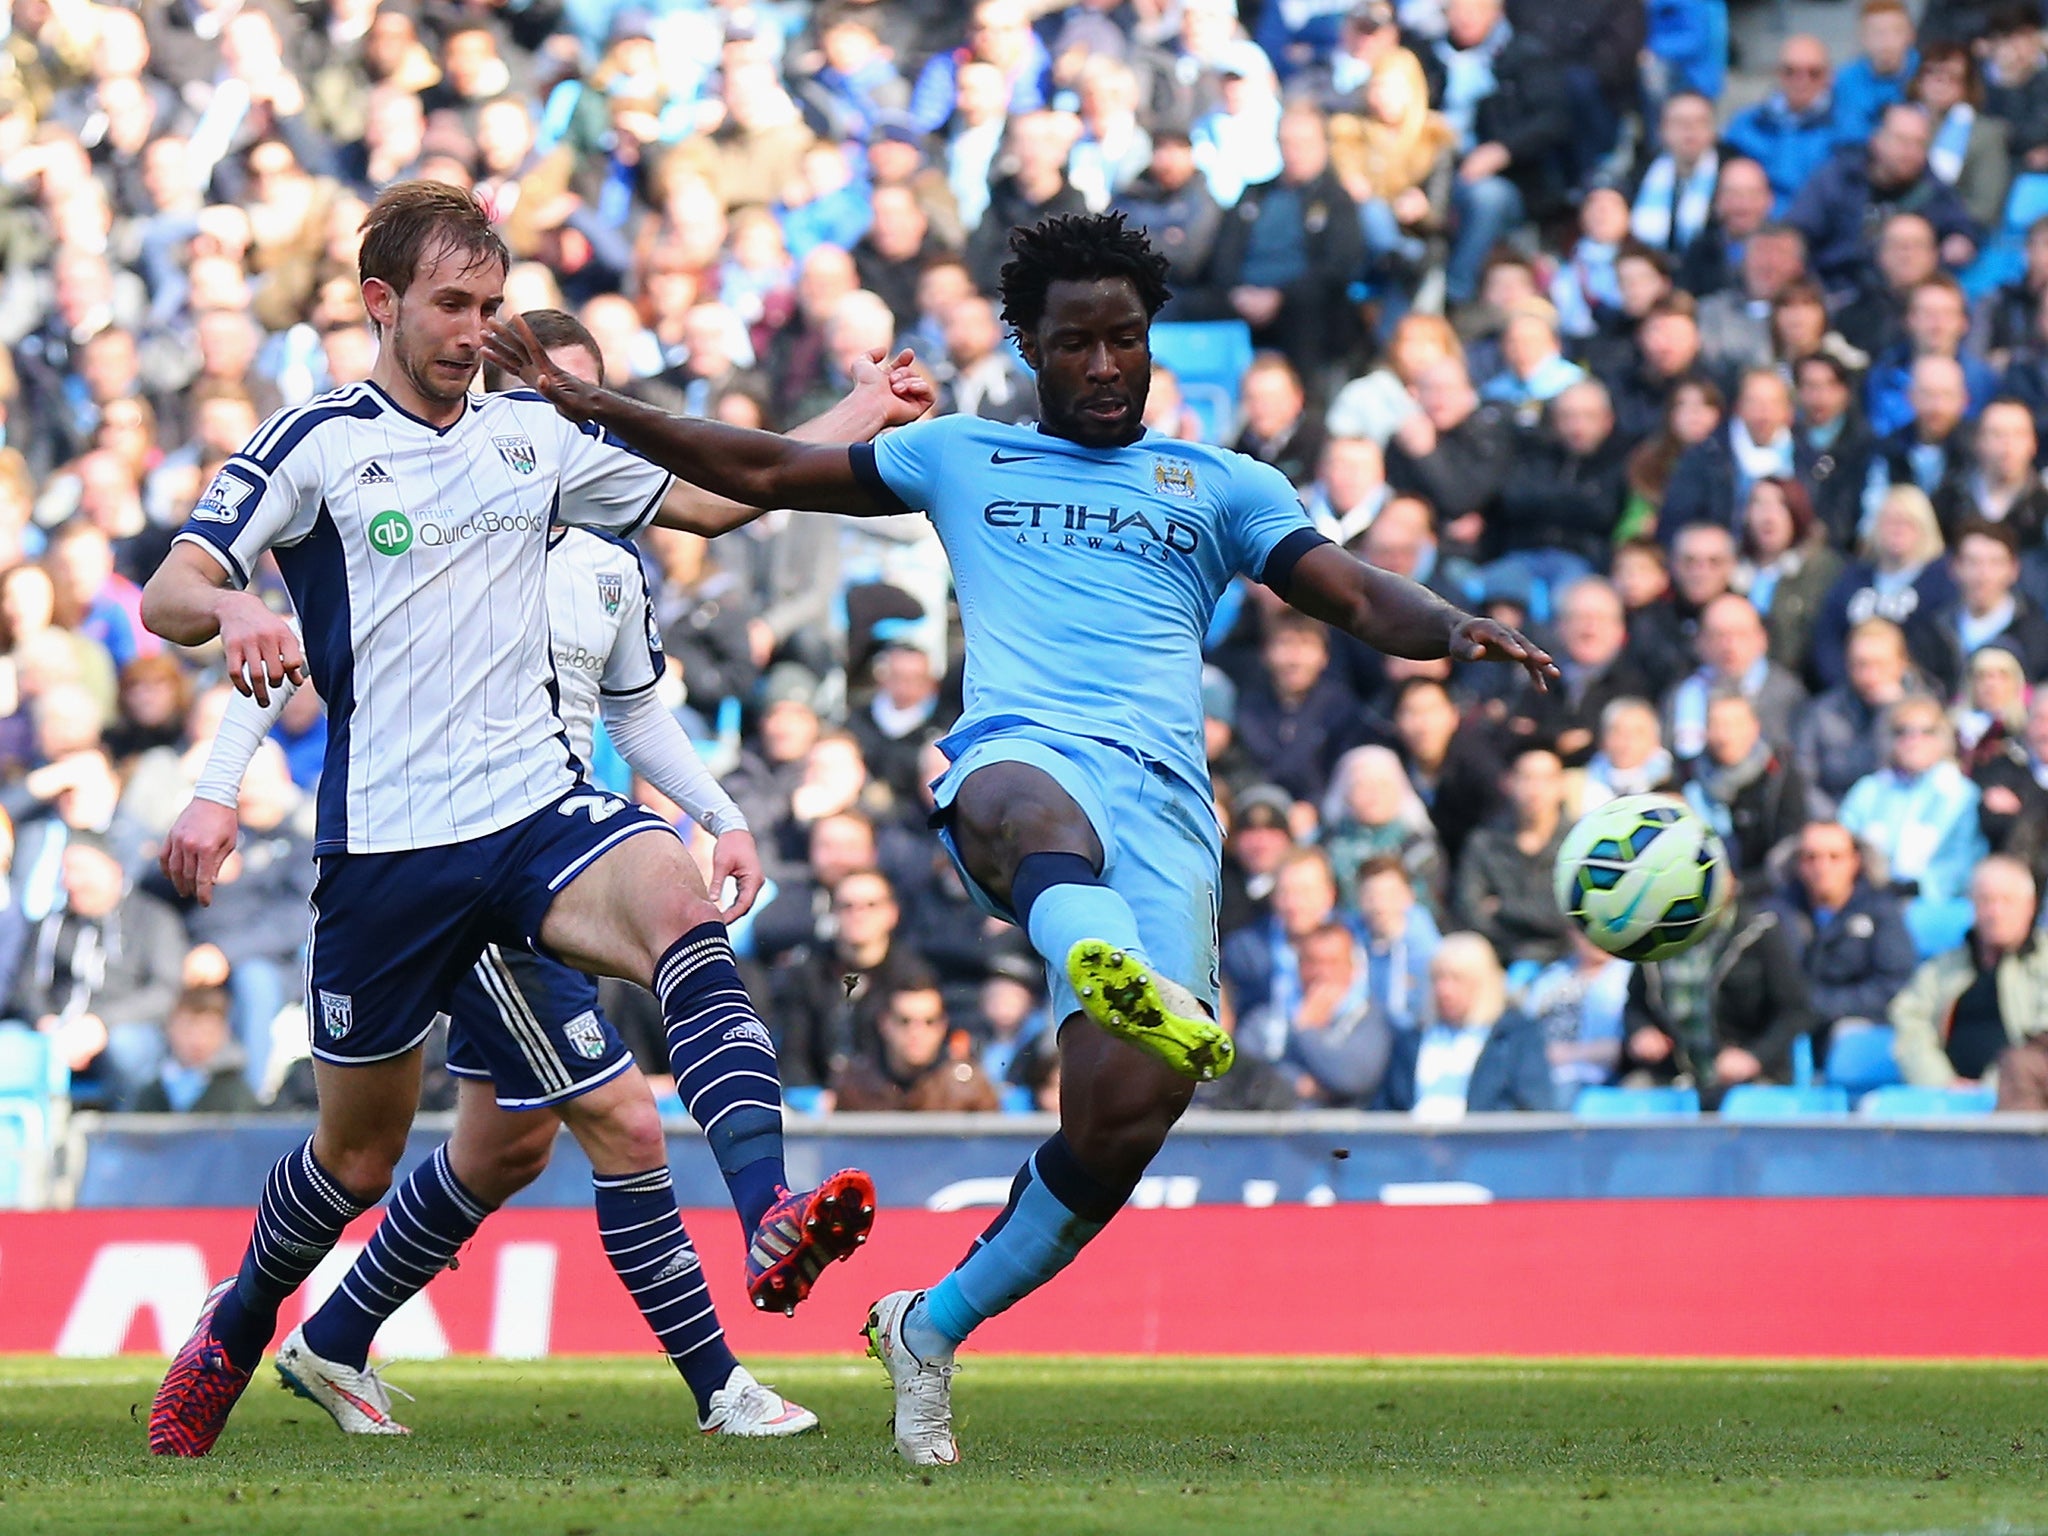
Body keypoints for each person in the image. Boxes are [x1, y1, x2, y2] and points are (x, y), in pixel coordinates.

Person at [483, 209, 1557, 1466]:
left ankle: (926, 1329)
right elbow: (763, 472)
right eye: (1076, 344)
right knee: (1013, 796)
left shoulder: (1219, 486)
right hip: (1019, 762)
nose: (1105, 366)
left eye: (1126, 341)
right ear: (1029, 350)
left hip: (1163, 813)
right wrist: (587, 401)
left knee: (1120, 1121)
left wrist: (1451, 629)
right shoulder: (959, 456)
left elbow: (1352, 592)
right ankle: (1100, 956)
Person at [139, 184, 929, 1458]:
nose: (473, 329)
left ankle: (770, 1208)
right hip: (388, 853)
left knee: (680, 907)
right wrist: (234, 613)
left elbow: (722, 495)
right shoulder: (318, 441)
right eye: (450, 305)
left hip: (533, 815)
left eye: (491, 305)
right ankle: (237, 1330)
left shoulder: (535, 437)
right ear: (380, 303)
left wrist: (859, 413)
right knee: (356, 1159)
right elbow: (172, 584)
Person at [1621, 890, 1821, 1108]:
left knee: (1746, 1108)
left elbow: (1797, 1010)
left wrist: (1754, 1056)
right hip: (1673, 1075)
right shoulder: (1656, 934)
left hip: (1750, 1079)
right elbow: (1635, 1004)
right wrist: (1641, 1030)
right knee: (1628, 1100)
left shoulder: (1760, 931)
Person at [1838, 695, 1989, 956]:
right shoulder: (1870, 790)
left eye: (1925, 732)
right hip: (1867, 899)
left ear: (1942, 739)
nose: (1912, 740)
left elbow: (1965, 862)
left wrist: (1918, 886)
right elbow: (1841, 839)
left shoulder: (1960, 795)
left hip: (1934, 907)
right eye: (1902, 732)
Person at [1889, 854, 2048, 1087]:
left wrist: (1993, 1086)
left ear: (2030, 906)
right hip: (1944, 1100)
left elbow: (2040, 1040)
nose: (1995, 912)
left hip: (2022, 1099)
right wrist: (1942, 1082)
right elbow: (1909, 1023)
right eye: (1986, 901)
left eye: (2007, 901)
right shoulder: (1941, 969)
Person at [1375, 931, 1557, 1115]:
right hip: (1412, 1140)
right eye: (1438, 978)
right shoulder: (1411, 1040)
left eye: (1457, 979)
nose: (1444, 990)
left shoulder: (1516, 1037)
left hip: (1480, 1141)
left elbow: (1531, 1107)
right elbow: (1387, 1105)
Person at [1762, 820, 1917, 1031]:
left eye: (1835, 857)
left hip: (1855, 1026)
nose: (1822, 867)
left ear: (1855, 861)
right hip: (1789, 1025)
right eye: (1811, 857)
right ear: (1798, 864)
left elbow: (1893, 982)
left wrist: (1821, 1005)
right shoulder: (1776, 913)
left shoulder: (1882, 911)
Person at [1453, 747, 1574, 971]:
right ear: (1508, 782)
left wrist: (1503, 908)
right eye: (1527, 778)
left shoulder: (1578, 843)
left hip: (1567, 958)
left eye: (1546, 779)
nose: (1535, 789)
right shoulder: (1484, 841)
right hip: (1499, 956)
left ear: (1561, 786)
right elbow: (1469, 910)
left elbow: (1569, 917)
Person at [1795, 618, 1928, 815]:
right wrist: (1837, 823)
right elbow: (1802, 779)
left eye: (1880, 664)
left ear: (1901, 664)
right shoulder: (1822, 712)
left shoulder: (1926, 714)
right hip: (1834, 825)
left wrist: (1890, 712)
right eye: (1861, 665)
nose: (1870, 675)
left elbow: (1919, 780)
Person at [1680, 691, 1811, 885]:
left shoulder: (1780, 774)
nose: (1725, 736)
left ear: (1754, 728)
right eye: (1717, 725)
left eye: (1735, 725)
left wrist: (1740, 886)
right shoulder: (1686, 774)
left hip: (1762, 890)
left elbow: (1788, 845)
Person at [831, 976, 1002, 1112]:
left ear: (943, 1026)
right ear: (885, 1024)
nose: (916, 1033)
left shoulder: (970, 1088)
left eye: (929, 1022)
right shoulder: (855, 1085)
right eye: (905, 1021)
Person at [130, 985, 259, 1113]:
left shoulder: (235, 1093)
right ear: (169, 1028)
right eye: (188, 1030)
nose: (198, 1041)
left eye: (208, 1032)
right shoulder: (151, 1092)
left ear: (224, 1033)